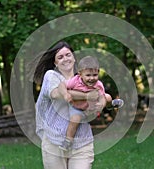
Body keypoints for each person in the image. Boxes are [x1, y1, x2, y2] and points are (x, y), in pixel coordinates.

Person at [34, 41, 103, 169]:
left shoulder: (85, 78)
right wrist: (87, 96)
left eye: (68, 55)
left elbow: (100, 95)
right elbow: (56, 94)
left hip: (82, 141)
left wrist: (103, 102)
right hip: (54, 141)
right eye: (60, 57)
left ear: (74, 57)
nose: (65, 59)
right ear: (55, 63)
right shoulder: (51, 76)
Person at [57, 55, 123, 151]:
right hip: (77, 107)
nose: (91, 78)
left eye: (94, 75)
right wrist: (65, 94)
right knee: (75, 119)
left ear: (98, 73)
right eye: (88, 75)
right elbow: (61, 85)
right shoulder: (75, 81)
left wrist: (101, 104)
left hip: (91, 107)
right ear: (80, 74)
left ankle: (110, 105)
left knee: (107, 97)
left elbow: (101, 97)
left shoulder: (98, 84)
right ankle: (68, 141)